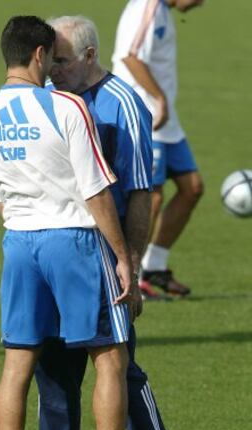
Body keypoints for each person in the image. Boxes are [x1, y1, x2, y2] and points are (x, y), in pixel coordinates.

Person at [0, 15, 148, 430]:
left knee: (16, 364)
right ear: (37, 55)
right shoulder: (65, 105)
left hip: (18, 242)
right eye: (51, 57)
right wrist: (122, 257)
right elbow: (94, 190)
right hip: (72, 240)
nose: (53, 67)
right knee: (109, 357)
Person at [31, 15, 184, 430]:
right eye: (49, 59)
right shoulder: (50, 99)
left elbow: (140, 193)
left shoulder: (125, 105)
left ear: (90, 56)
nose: (52, 69)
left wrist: (131, 263)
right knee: (53, 364)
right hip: (56, 250)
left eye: (62, 60)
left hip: (105, 255)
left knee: (119, 368)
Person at [112, 0, 205, 299]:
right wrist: (159, 98)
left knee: (192, 187)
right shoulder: (147, 7)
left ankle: (155, 269)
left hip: (165, 118)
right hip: (145, 113)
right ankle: (128, 275)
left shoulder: (161, 9)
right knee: (150, 196)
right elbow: (129, 56)